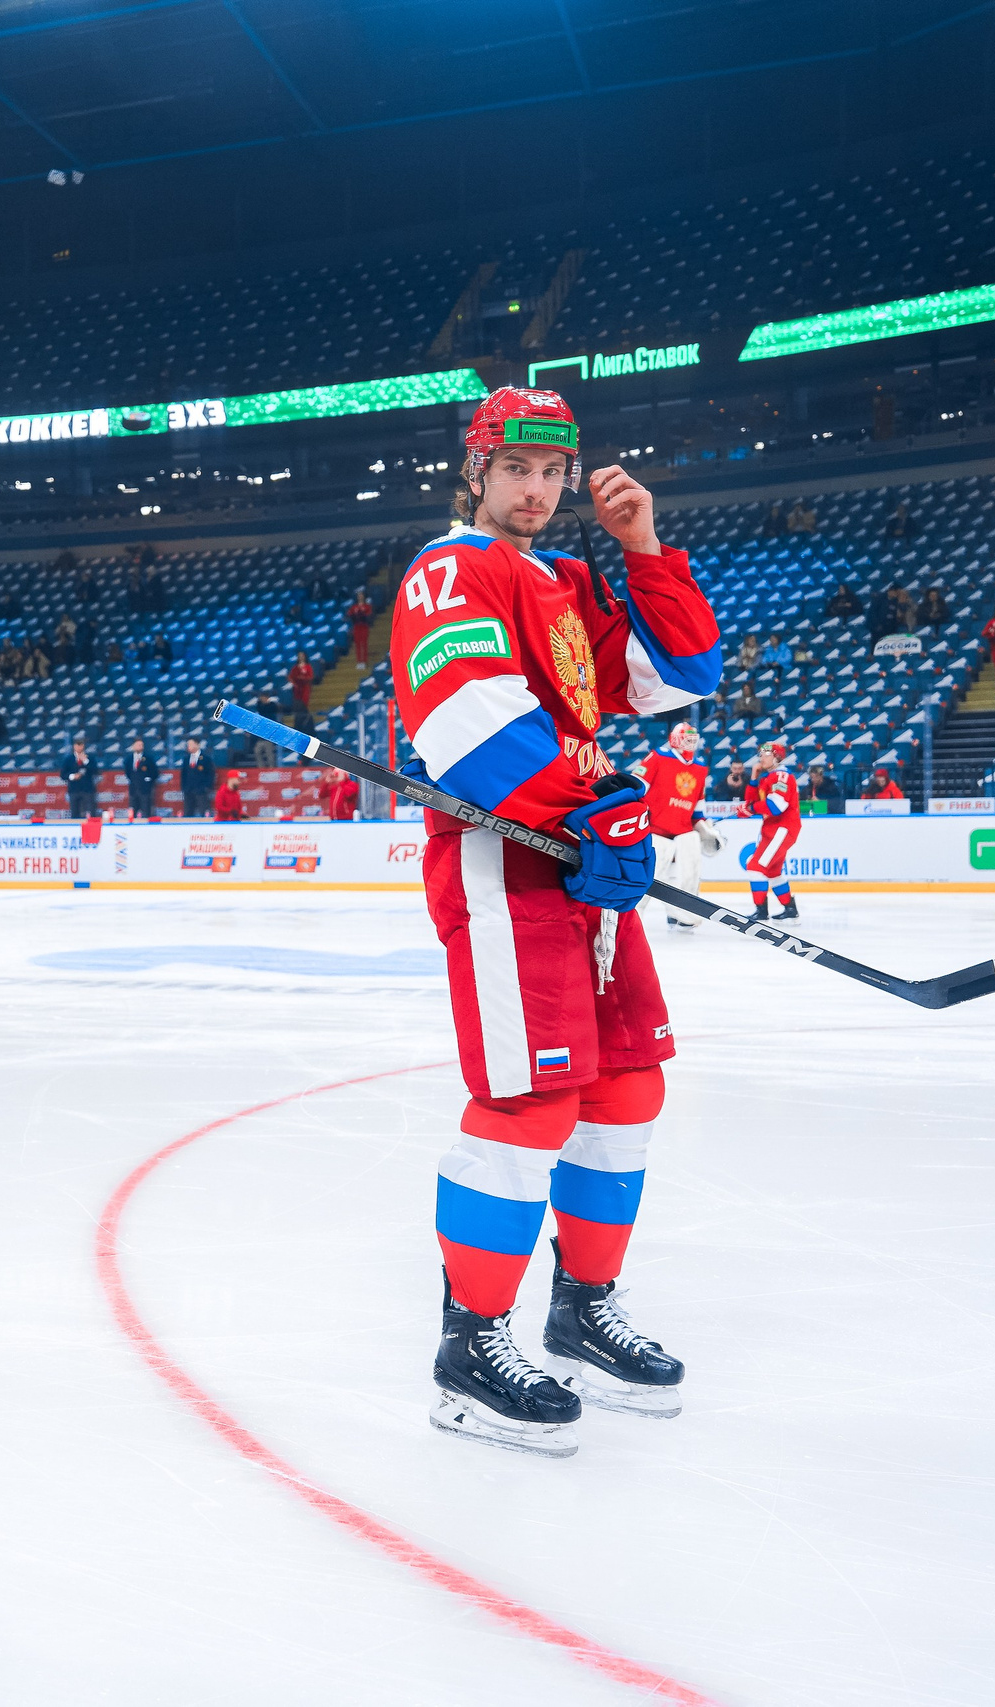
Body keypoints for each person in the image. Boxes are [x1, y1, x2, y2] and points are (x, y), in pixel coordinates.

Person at [387, 385, 720, 1456]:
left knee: (627, 1085)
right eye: (516, 470)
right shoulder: (451, 569)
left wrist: (645, 548)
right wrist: (597, 813)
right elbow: (467, 729)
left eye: (552, 474)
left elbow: (676, 678)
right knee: (531, 1099)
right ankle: (469, 1347)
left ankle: (580, 1310)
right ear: (475, 469)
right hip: (510, 861)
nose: (536, 490)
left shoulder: (565, 577)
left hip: (586, 863)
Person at [638, 723, 715, 930]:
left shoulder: (699, 767)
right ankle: (633, 915)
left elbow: (698, 806)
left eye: (692, 738)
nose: (690, 743)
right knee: (650, 877)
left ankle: (681, 914)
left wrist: (706, 829)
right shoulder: (657, 757)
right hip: (655, 831)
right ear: (674, 739)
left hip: (683, 833)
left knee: (685, 876)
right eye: (685, 738)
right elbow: (637, 787)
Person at [742, 741, 802, 919]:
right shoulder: (769, 777)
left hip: (782, 829)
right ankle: (790, 909)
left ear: (776, 756)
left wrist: (751, 809)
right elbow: (750, 801)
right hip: (774, 829)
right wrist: (753, 776)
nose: (761, 757)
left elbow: (776, 806)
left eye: (765, 754)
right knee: (773, 871)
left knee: (755, 866)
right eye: (760, 754)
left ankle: (761, 911)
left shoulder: (781, 776)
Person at [58, 736, 96, 822]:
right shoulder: (69, 759)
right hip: (74, 790)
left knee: (91, 812)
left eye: (81, 745)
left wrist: (86, 761)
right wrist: (72, 776)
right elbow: (63, 775)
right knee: (75, 813)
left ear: (84, 746)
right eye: (77, 745)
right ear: (74, 746)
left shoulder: (90, 758)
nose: (79, 747)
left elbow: (95, 771)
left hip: (87, 790)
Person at [123, 737, 158, 820]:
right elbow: (128, 773)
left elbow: (154, 772)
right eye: (138, 745)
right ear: (133, 746)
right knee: (133, 811)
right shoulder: (129, 759)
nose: (140, 746)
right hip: (133, 789)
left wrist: (148, 780)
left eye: (141, 745)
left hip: (145, 790)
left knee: (146, 811)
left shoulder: (148, 758)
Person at [181, 737, 216, 820]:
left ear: (197, 745)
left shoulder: (206, 759)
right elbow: (183, 774)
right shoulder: (186, 759)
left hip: (201, 790)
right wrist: (184, 788)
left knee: (203, 811)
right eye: (188, 745)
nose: (188, 746)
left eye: (190, 744)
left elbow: (210, 774)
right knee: (188, 812)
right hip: (189, 791)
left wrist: (206, 787)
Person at [346, 590, 377, 663]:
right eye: (359, 595)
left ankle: (364, 660)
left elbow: (369, 614)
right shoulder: (354, 607)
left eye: (361, 595)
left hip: (364, 626)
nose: (360, 597)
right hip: (356, 627)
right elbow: (349, 614)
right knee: (357, 644)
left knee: (364, 643)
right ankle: (359, 660)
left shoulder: (367, 606)